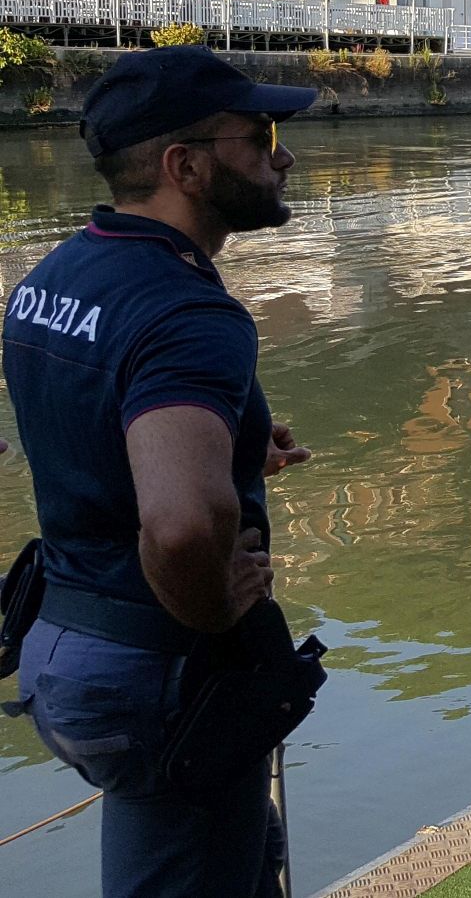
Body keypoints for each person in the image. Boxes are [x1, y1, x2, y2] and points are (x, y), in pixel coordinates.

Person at [5, 47, 319, 897]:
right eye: (260, 137)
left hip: (64, 641)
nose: (284, 157)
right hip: (155, 664)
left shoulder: (56, 274)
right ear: (186, 166)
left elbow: (85, 424)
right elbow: (179, 526)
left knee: (234, 857)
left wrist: (230, 442)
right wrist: (217, 607)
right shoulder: (186, 310)